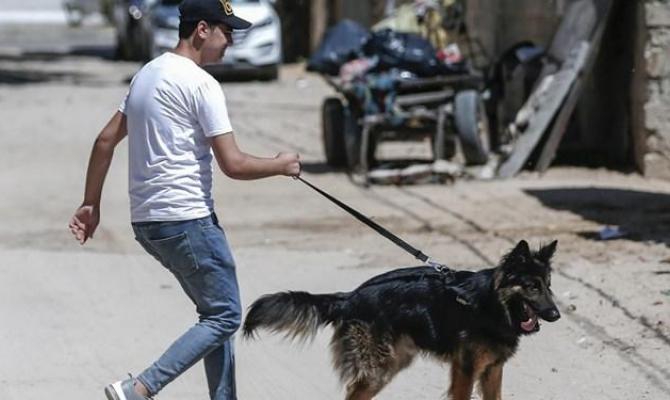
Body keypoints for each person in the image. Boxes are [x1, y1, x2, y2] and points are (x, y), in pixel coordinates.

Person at [68, 0, 300, 399]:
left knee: (215, 313)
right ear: (202, 30)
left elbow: (105, 140)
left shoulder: (147, 74)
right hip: (187, 219)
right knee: (225, 315)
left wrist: (91, 203)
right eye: (228, 32)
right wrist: (281, 165)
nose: (231, 41)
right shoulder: (200, 84)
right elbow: (234, 164)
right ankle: (140, 387)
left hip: (149, 223)